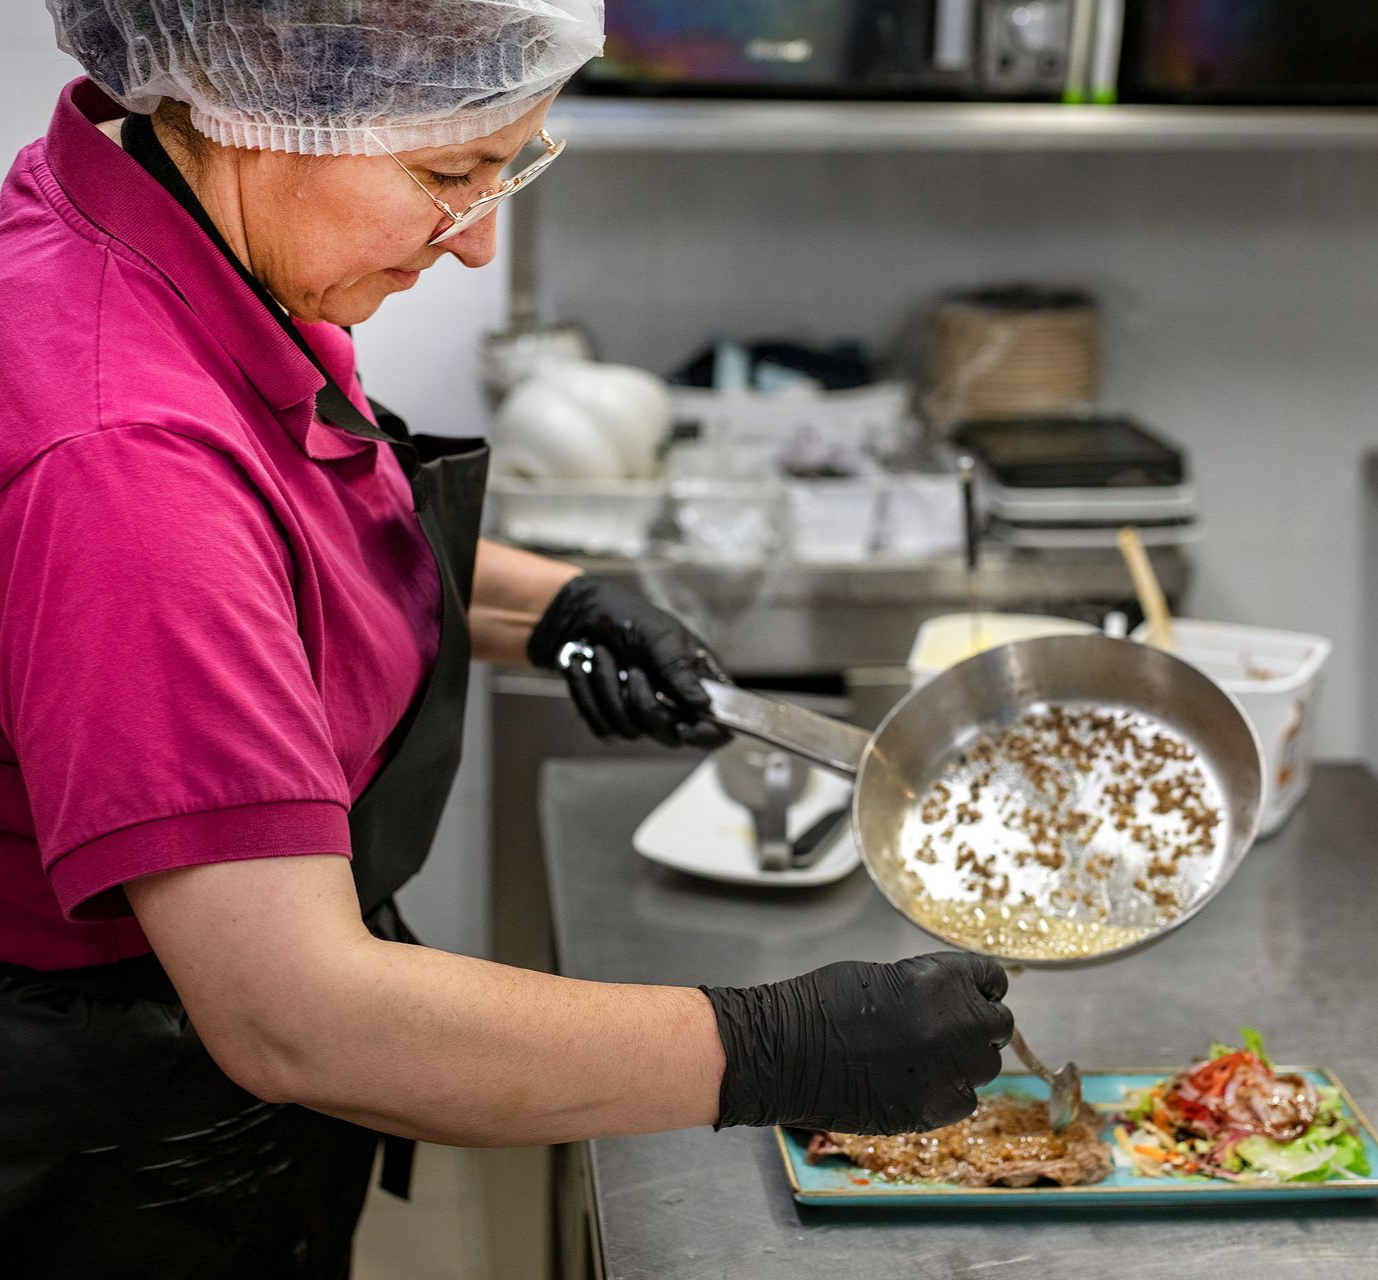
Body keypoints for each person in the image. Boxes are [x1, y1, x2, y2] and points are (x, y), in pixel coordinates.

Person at [0, 3, 1014, 1274]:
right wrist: (774, 1045)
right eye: (447, 174)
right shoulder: (124, 465)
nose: (478, 241)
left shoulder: (168, 227)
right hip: (114, 1140)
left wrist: (558, 604)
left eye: (507, 167)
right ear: (261, 110)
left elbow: (283, 549)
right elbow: (295, 1013)